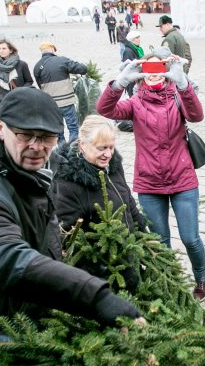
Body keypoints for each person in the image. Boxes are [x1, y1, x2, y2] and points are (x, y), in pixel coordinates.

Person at [0, 88, 141, 337]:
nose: (37, 147)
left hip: (32, 308)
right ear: (0, 126)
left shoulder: (15, 162)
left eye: (47, 137)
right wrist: (94, 297)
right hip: (1, 325)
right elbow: (3, 258)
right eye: (25, 135)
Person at [96, 48, 205, 300]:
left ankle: (200, 277)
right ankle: (170, 282)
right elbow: (105, 109)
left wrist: (184, 83)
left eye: (160, 69)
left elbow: (197, 115)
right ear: (141, 73)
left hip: (183, 179)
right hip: (149, 183)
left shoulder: (178, 97)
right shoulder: (135, 103)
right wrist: (119, 83)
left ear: (168, 72)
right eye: (149, 69)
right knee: (160, 242)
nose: (154, 74)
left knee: (190, 238)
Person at [53, 115, 148, 291]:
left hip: (128, 254)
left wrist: (139, 225)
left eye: (111, 147)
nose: (108, 154)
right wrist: (100, 269)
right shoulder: (69, 185)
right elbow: (67, 238)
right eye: (102, 148)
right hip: (104, 271)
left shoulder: (112, 165)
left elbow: (126, 197)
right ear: (82, 145)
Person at [33, 42, 88, 144]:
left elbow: (40, 86)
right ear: (53, 50)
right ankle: (72, 149)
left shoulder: (37, 66)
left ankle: (62, 151)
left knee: (58, 131)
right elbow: (82, 69)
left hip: (51, 104)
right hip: (66, 101)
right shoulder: (62, 60)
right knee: (72, 127)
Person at [0, 39, 33, 104]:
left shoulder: (22, 64)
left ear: (11, 50)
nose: (1, 51)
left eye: (4, 48)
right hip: (4, 101)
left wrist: (21, 91)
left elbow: (29, 81)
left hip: (20, 99)